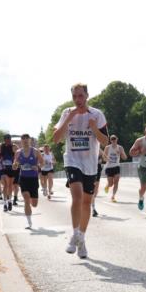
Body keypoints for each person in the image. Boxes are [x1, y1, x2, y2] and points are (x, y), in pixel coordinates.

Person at [51, 83, 108, 259]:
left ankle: (81, 239)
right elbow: (55, 139)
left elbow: (105, 141)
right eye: (75, 96)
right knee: (76, 197)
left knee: (86, 202)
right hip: (73, 160)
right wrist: (69, 119)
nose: (78, 100)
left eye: (81, 96)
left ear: (87, 96)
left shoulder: (97, 115)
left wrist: (94, 128)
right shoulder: (66, 113)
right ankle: (75, 234)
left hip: (90, 164)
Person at [14, 133, 42, 229]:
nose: (25, 140)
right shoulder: (18, 152)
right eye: (23, 139)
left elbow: (42, 163)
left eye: (27, 138)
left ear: (30, 140)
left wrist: (37, 166)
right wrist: (15, 165)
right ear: (21, 141)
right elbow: (15, 165)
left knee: (34, 204)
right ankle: (29, 222)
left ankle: (30, 201)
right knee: (26, 199)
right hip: (23, 178)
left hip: (33, 179)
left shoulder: (35, 152)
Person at [102, 135, 127, 202]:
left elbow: (125, 158)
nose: (113, 140)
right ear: (110, 140)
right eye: (112, 139)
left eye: (114, 139)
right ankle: (108, 185)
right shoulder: (107, 148)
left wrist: (121, 153)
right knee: (111, 184)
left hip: (116, 166)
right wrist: (107, 159)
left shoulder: (120, 148)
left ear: (117, 139)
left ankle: (113, 196)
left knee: (116, 182)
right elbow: (103, 158)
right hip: (109, 167)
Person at [0, 136, 17, 211]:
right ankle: (5, 204)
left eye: (9, 139)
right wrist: (1, 162)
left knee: (10, 185)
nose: (8, 141)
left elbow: (17, 155)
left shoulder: (13, 146)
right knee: (5, 185)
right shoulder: (2, 146)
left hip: (12, 168)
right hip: (4, 168)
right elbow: (0, 155)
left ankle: (9, 201)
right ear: (4, 140)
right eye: (6, 139)